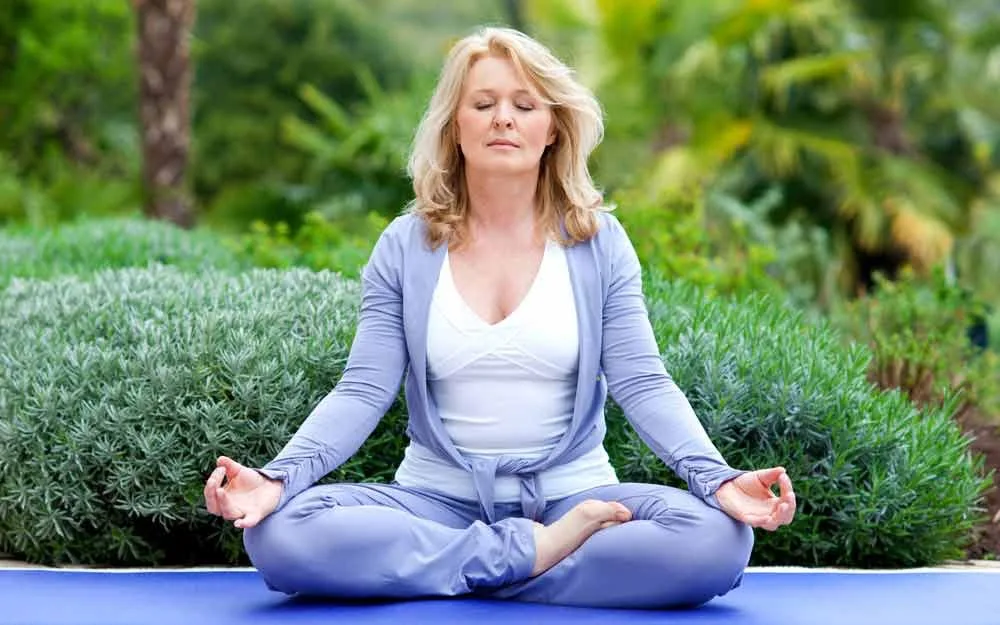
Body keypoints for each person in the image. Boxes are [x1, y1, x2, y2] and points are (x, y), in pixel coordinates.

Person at [203, 26, 796, 610]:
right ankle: (539, 559)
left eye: (524, 104)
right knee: (279, 534)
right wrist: (279, 479)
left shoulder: (600, 244)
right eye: (482, 104)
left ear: (553, 128)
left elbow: (642, 382)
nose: (503, 118)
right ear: (454, 128)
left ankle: (483, 563)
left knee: (718, 540)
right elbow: (364, 388)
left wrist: (716, 479)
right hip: (435, 501)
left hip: (575, 498)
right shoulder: (405, 246)